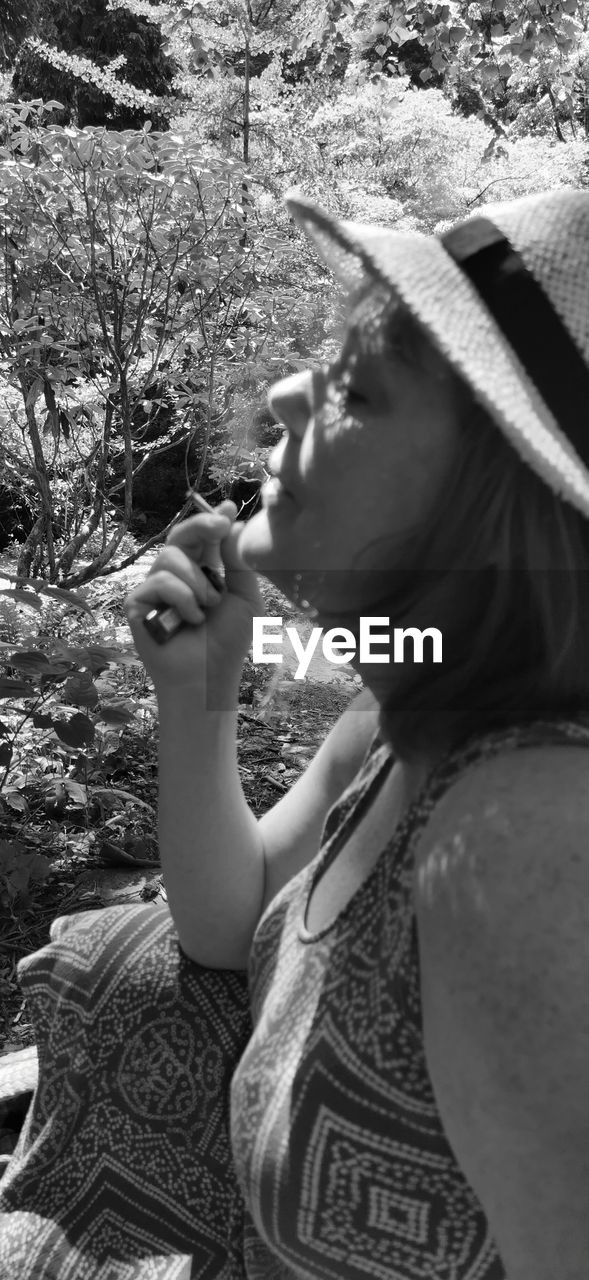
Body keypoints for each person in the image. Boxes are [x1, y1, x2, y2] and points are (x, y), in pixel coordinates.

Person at [1, 186, 589, 1280]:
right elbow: (237, 921)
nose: (280, 393)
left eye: (357, 388)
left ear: (496, 502)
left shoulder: (525, 836)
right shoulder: (407, 721)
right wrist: (203, 696)